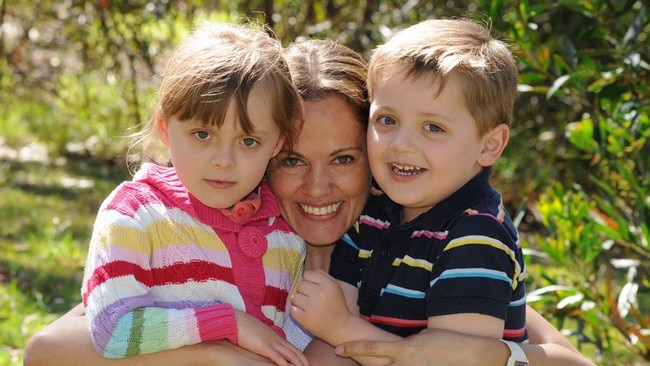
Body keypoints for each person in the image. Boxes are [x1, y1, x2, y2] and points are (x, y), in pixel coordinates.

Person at [24, 38, 594, 366]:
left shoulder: (405, 245)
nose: (317, 189)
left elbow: (565, 359)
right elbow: (50, 348)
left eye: (344, 159)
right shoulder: (235, 241)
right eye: (292, 160)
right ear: (263, 156)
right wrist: (225, 349)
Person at [289, 18, 527, 364]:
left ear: (490, 145)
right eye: (387, 120)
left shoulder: (477, 236)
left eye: (433, 127)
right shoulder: (373, 216)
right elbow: (329, 340)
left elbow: (453, 360)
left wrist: (340, 327)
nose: (401, 144)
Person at [78, 21, 308, 366]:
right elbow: (114, 330)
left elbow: (289, 343)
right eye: (203, 134)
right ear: (166, 128)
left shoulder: (285, 235)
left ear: (277, 144)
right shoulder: (135, 215)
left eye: (248, 141)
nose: (223, 161)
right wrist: (229, 324)